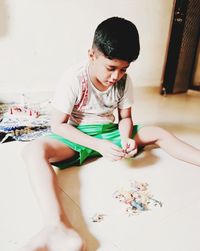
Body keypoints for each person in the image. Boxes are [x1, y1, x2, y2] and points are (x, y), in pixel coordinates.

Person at [20, 16, 200, 251]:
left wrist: (125, 138)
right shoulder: (74, 79)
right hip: (77, 136)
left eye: (124, 69)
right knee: (33, 150)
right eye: (111, 68)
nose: (116, 76)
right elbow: (58, 126)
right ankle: (56, 227)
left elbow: (125, 118)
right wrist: (97, 146)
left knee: (157, 131)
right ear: (91, 55)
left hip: (110, 133)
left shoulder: (124, 82)